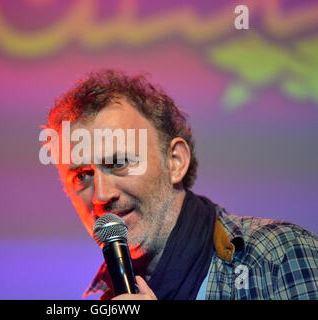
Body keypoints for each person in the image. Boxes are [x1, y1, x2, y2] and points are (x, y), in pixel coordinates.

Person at [42, 69, 318, 300]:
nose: (102, 194)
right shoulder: (98, 297)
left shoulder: (278, 256)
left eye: (119, 163)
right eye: (82, 176)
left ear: (174, 161)